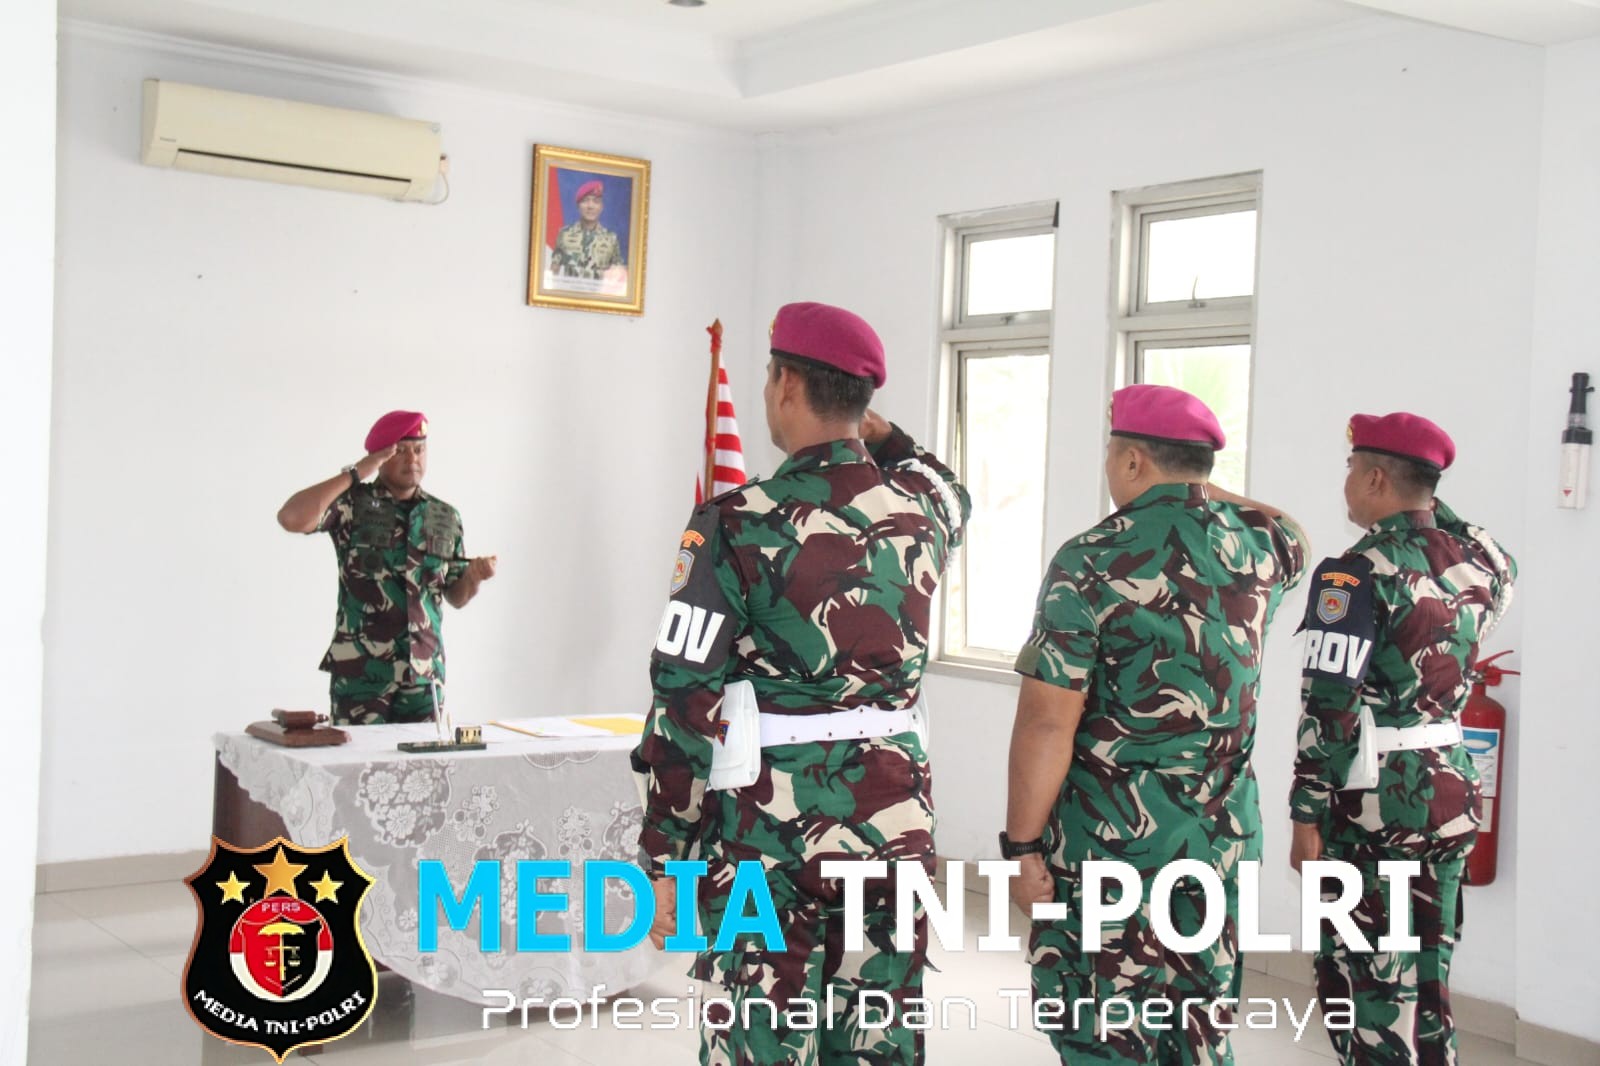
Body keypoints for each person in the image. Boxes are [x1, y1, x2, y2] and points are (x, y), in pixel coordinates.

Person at [632, 301, 971, 1066]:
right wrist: (883, 435)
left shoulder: (735, 521)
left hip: (767, 834)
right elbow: (953, 487)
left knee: (759, 1040)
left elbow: (685, 701)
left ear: (785, 384)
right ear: (861, 401)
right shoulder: (923, 514)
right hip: (894, 823)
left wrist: (663, 856)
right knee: (879, 1039)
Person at [1006, 384, 1308, 1065]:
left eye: (1113, 454)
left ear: (1133, 460)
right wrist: (1197, 488)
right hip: (1218, 844)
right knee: (1198, 1030)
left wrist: (1020, 848)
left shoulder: (1090, 558)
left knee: (1102, 1030)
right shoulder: (1262, 549)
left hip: (1111, 848)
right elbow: (1295, 528)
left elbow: (1047, 724)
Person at [1289, 412, 1515, 1066]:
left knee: (1366, 985)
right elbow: (1469, 534)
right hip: (1451, 793)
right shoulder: (1484, 563)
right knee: (1430, 977)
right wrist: (1427, 503)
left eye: (1352, 469)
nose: (1346, 483)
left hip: (1374, 807)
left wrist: (1305, 815)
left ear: (1376, 478)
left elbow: (1328, 708)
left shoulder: (1352, 574)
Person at [276, 410, 497, 725]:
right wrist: (355, 473)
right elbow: (291, 518)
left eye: (419, 450)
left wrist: (474, 577)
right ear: (380, 456)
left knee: (424, 758)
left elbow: (455, 597)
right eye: (401, 451)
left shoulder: (444, 516)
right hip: (362, 673)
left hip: (424, 675)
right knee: (359, 757)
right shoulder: (352, 504)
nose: (412, 459)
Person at [549, 179, 626, 283]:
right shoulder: (564, 234)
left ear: (601, 207)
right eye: (585, 201)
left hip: (599, 293)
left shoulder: (611, 239)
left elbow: (619, 276)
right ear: (578, 205)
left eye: (596, 201)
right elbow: (553, 272)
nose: (590, 206)